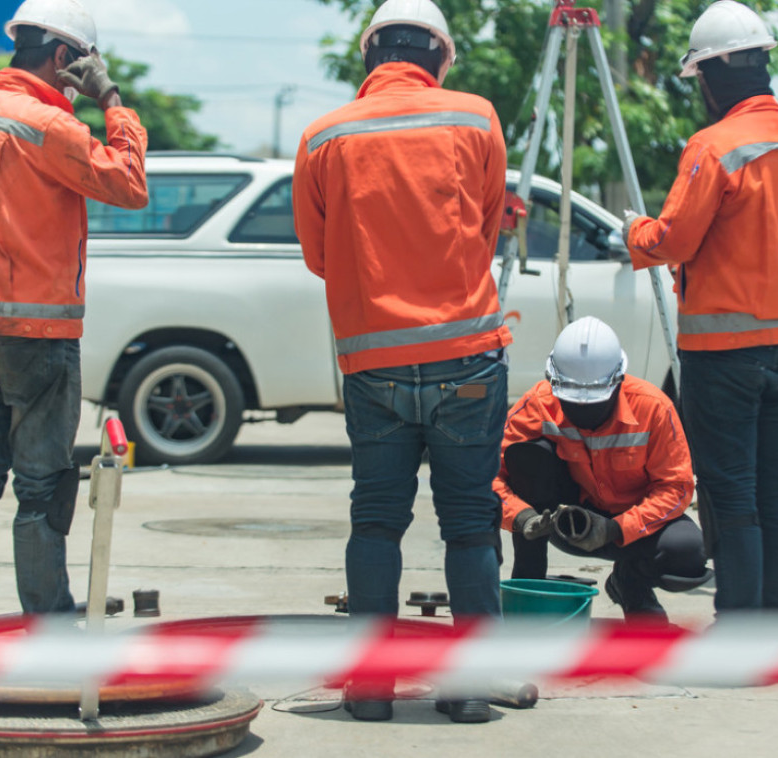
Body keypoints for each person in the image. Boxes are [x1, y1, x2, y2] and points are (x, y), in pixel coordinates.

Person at [292, 0, 510, 724]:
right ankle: (471, 688)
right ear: (440, 58)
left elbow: (320, 256)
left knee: (377, 522)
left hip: (373, 362)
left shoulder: (323, 136)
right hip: (467, 356)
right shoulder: (476, 118)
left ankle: (371, 689)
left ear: (370, 57)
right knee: (471, 524)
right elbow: (481, 227)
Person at [623, 0, 778, 617]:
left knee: (733, 494)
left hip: (722, 358)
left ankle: (742, 623)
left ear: (713, 76)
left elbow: (675, 240)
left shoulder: (714, 147)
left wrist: (636, 233)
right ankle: (777, 616)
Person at [0, 0, 148, 617]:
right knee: (40, 489)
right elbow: (130, 184)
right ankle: (50, 627)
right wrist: (112, 99)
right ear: (65, 57)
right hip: (39, 331)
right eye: (81, 65)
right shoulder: (49, 128)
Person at [495, 317, 710, 623]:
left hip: (634, 526)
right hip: (563, 520)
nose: (582, 408)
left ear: (619, 380)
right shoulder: (538, 404)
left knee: (687, 552)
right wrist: (522, 516)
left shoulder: (652, 408)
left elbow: (676, 488)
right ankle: (531, 587)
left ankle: (631, 584)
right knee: (526, 457)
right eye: (570, 399)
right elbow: (490, 473)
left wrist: (618, 528)